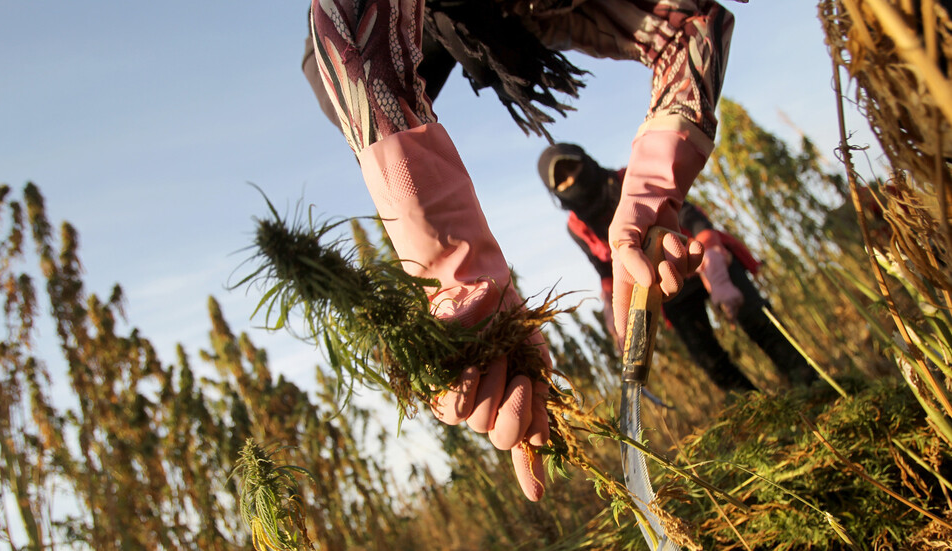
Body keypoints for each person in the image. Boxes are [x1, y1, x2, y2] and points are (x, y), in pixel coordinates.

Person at [305, 0, 736, 502]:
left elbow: (688, 26)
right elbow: (352, 34)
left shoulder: (561, 13)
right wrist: (455, 271)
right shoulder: (398, 46)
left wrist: (651, 193)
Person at [539, 143, 816, 392]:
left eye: (572, 167)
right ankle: (761, 416)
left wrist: (716, 269)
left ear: (586, 160)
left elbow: (692, 217)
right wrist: (612, 310)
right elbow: (604, 270)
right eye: (561, 180)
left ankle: (811, 386)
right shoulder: (579, 228)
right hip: (666, 285)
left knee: (757, 320)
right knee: (708, 358)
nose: (572, 179)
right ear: (555, 193)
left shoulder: (632, 182)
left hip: (700, 255)